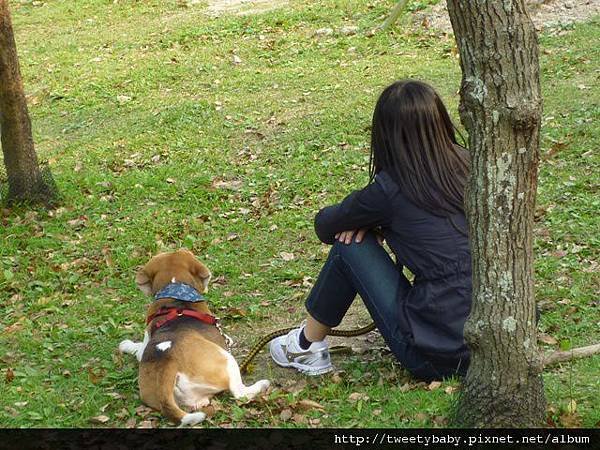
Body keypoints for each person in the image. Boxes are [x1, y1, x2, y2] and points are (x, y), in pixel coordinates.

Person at [269, 80, 472, 381]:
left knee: (349, 246)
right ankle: (305, 344)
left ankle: (305, 344)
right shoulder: (471, 163)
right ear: (440, 120)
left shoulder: (390, 188)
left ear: (387, 134)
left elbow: (325, 225)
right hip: (493, 348)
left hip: (435, 359)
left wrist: (369, 222)